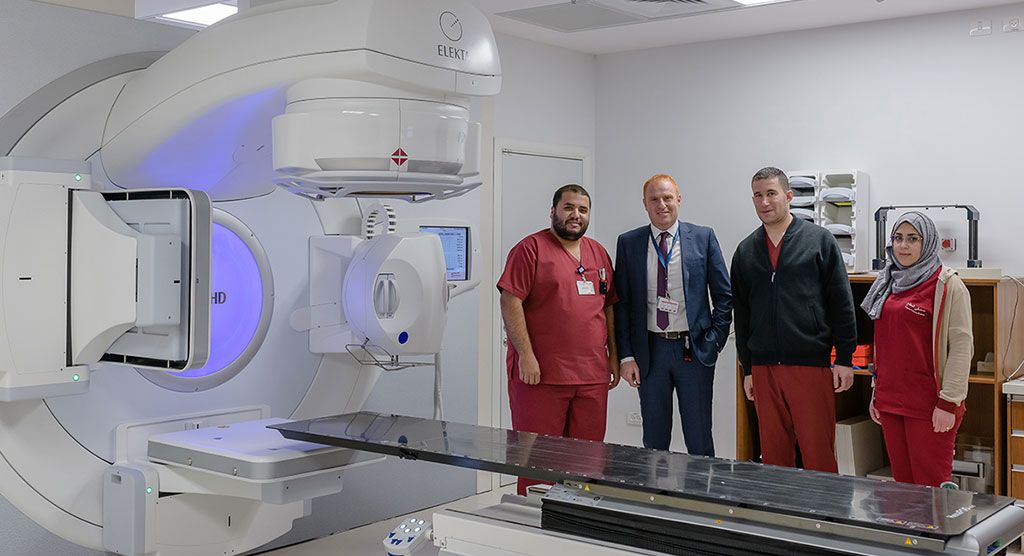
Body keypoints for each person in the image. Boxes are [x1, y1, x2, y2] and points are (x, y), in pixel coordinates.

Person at [731, 166, 857, 472]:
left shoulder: (819, 241)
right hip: (763, 369)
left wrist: (844, 358)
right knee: (774, 456)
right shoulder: (746, 251)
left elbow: (842, 303)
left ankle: (826, 517)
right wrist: (748, 368)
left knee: (818, 452)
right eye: (758, 195)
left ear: (788, 196)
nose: (765, 202)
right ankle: (779, 517)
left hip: (809, 365)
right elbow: (742, 314)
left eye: (771, 194)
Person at [497, 183, 620, 495]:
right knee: (539, 460)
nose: (575, 215)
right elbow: (510, 301)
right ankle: (535, 526)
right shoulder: (530, 249)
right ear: (553, 211)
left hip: (590, 375)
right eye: (568, 208)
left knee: (587, 459)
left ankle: (578, 523)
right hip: (542, 375)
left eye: (582, 209)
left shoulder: (598, 253)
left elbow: (608, 308)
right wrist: (525, 354)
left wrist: (614, 357)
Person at [614, 173, 732, 455]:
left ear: (679, 200)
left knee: (699, 436)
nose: (662, 204)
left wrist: (714, 341)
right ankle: (656, 495)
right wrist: (626, 356)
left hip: (693, 350)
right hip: (650, 352)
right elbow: (623, 304)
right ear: (645, 204)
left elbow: (724, 295)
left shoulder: (702, 237)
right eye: (654, 199)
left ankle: (702, 498)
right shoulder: (629, 243)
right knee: (654, 438)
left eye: (667, 198)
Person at [862, 211, 972, 487]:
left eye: (913, 239)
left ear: (929, 243)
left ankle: (937, 533)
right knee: (904, 489)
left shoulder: (948, 285)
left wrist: (949, 402)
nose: (904, 246)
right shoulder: (888, 281)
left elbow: (961, 347)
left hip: (930, 405)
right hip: (891, 401)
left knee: (932, 489)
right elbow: (885, 344)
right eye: (898, 238)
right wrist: (877, 392)